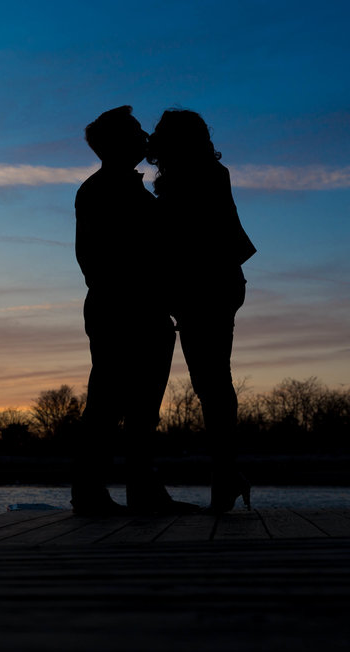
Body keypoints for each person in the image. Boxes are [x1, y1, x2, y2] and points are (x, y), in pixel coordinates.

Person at [73, 106, 195, 516]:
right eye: (137, 132)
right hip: (123, 310)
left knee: (142, 407)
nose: (145, 138)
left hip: (140, 309)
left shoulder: (125, 189)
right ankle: (94, 493)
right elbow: (110, 259)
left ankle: (139, 491)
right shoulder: (104, 191)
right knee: (110, 403)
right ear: (115, 143)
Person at [146, 109, 256, 513]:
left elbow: (189, 237)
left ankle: (226, 476)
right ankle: (226, 476)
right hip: (209, 285)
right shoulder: (194, 172)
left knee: (211, 382)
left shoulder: (200, 175)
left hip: (209, 285)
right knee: (212, 382)